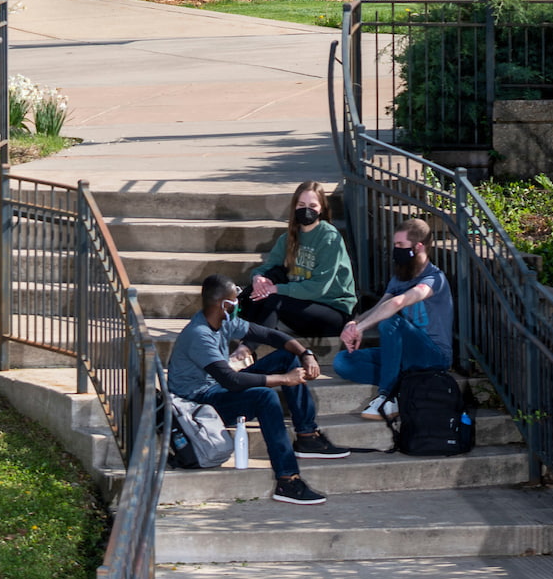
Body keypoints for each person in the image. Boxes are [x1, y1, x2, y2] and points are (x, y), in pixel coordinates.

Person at [167, 274, 341, 499]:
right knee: (264, 397)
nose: (239, 303)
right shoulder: (199, 335)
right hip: (199, 404)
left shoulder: (224, 321)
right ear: (225, 305)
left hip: (216, 389)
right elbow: (232, 380)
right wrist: (285, 379)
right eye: (235, 300)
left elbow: (268, 334)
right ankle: (287, 481)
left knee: (286, 357)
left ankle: (307, 436)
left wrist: (305, 353)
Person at [331, 214, 454, 419]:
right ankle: (403, 382)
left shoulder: (434, 279)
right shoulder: (399, 277)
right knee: (343, 362)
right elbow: (380, 306)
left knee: (391, 322)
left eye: (400, 244)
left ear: (419, 247)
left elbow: (398, 303)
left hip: (433, 355)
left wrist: (360, 329)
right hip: (403, 355)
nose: (396, 249)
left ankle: (387, 396)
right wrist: (355, 323)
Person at [239, 180, 357, 340]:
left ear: (321, 208)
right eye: (301, 204)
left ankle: (246, 349)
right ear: (294, 206)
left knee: (274, 300)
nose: (306, 210)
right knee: (258, 296)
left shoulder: (329, 237)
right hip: (300, 306)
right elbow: (269, 266)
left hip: (333, 310)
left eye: (313, 205)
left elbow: (319, 287)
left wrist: (277, 289)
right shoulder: (287, 238)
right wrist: (258, 279)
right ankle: (248, 344)